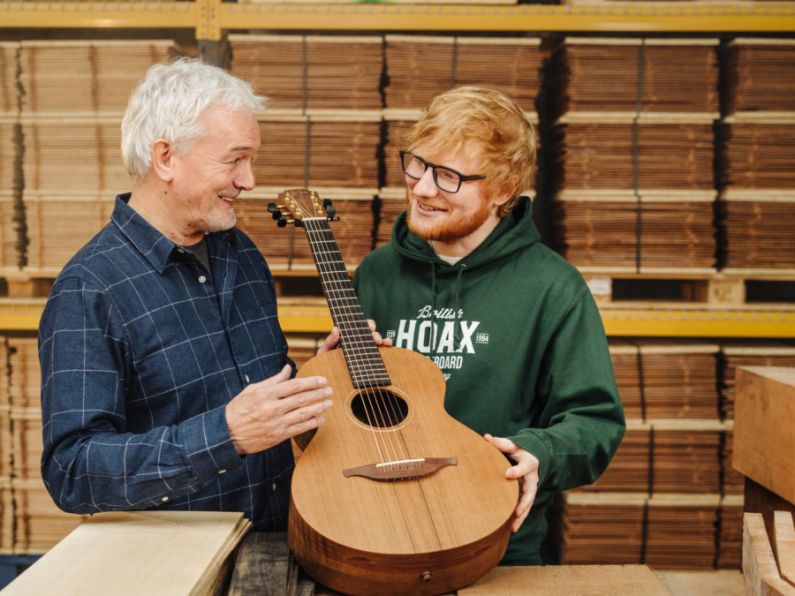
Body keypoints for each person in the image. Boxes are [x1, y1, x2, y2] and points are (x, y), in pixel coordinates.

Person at [38, 58, 338, 530]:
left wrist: (321, 373)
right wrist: (227, 435)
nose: (249, 180)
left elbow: (258, 399)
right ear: (165, 158)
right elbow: (73, 471)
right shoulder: (92, 288)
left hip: (280, 539)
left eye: (251, 159)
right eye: (235, 159)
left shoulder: (240, 254)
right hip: (179, 565)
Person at [351, 86, 626, 565]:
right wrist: (334, 374)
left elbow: (595, 422)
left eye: (448, 176)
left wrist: (541, 449)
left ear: (503, 189)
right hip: (376, 534)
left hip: (496, 545)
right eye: (417, 164)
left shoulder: (553, 288)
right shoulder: (376, 274)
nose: (421, 188)